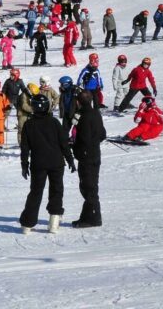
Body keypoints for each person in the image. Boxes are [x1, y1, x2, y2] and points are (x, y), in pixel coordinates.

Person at [18, 93, 75, 235]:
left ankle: (27, 224)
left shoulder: (28, 124)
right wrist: (70, 159)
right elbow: (64, 144)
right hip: (56, 162)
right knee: (56, 190)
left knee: (36, 192)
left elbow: (25, 148)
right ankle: (54, 223)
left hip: (38, 163)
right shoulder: (54, 122)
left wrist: (24, 164)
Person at [72, 90, 106, 228]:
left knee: (89, 188)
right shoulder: (95, 113)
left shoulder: (84, 116)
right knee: (88, 187)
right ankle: (86, 216)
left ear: (79, 102)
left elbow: (84, 139)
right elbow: (102, 134)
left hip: (87, 156)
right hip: (94, 154)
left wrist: (75, 148)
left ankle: (94, 218)